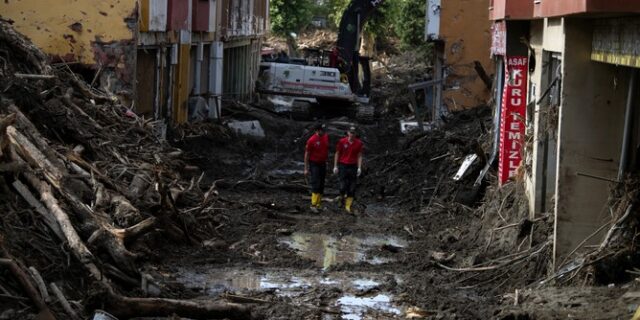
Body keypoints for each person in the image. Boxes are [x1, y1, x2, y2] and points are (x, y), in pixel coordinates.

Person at [333, 126, 363, 213]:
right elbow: (337, 153)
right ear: (348, 133)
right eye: (350, 132)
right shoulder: (342, 142)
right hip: (343, 165)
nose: (352, 134)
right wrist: (335, 166)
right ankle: (341, 198)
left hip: (353, 166)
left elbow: (359, 155)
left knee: (352, 187)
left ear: (355, 134)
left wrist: (359, 167)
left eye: (353, 133)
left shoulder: (359, 143)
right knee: (343, 186)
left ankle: (348, 205)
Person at [304, 123, 329, 212]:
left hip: (323, 163)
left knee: (322, 183)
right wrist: (306, 168)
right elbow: (307, 154)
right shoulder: (311, 140)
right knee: (316, 183)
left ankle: (319, 204)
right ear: (317, 131)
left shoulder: (325, 137)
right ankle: (313, 204)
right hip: (314, 163)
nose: (323, 132)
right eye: (321, 130)